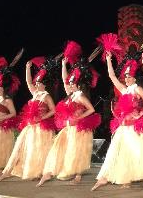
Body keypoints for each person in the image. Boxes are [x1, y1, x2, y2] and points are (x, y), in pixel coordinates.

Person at [37, 47, 101, 186]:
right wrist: (63, 65)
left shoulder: (80, 95)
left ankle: (78, 176)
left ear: (77, 84)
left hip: (78, 129)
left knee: (78, 152)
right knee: (57, 148)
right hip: (68, 128)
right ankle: (48, 173)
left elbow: (91, 109)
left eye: (72, 83)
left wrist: (78, 118)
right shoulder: (70, 95)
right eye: (70, 84)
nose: (70, 85)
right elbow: (64, 80)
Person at [92, 52, 143, 191]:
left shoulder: (137, 89)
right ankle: (113, 177)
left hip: (133, 127)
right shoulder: (124, 90)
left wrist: (140, 115)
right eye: (125, 76)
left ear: (134, 77)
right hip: (123, 127)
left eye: (128, 76)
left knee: (132, 153)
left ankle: (128, 178)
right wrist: (108, 59)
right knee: (118, 152)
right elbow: (112, 76)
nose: (126, 79)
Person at [0, 57, 57, 181]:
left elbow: (53, 110)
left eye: (39, 83)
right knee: (25, 146)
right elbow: (28, 82)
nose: (36, 84)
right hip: (31, 126)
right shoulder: (35, 93)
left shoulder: (46, 96)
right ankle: (14, 170)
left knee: (40, 148)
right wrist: (27, 68)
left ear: (44, 84)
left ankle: (40, 172)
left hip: (41, 127)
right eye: (36, 83)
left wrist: (42, 117)